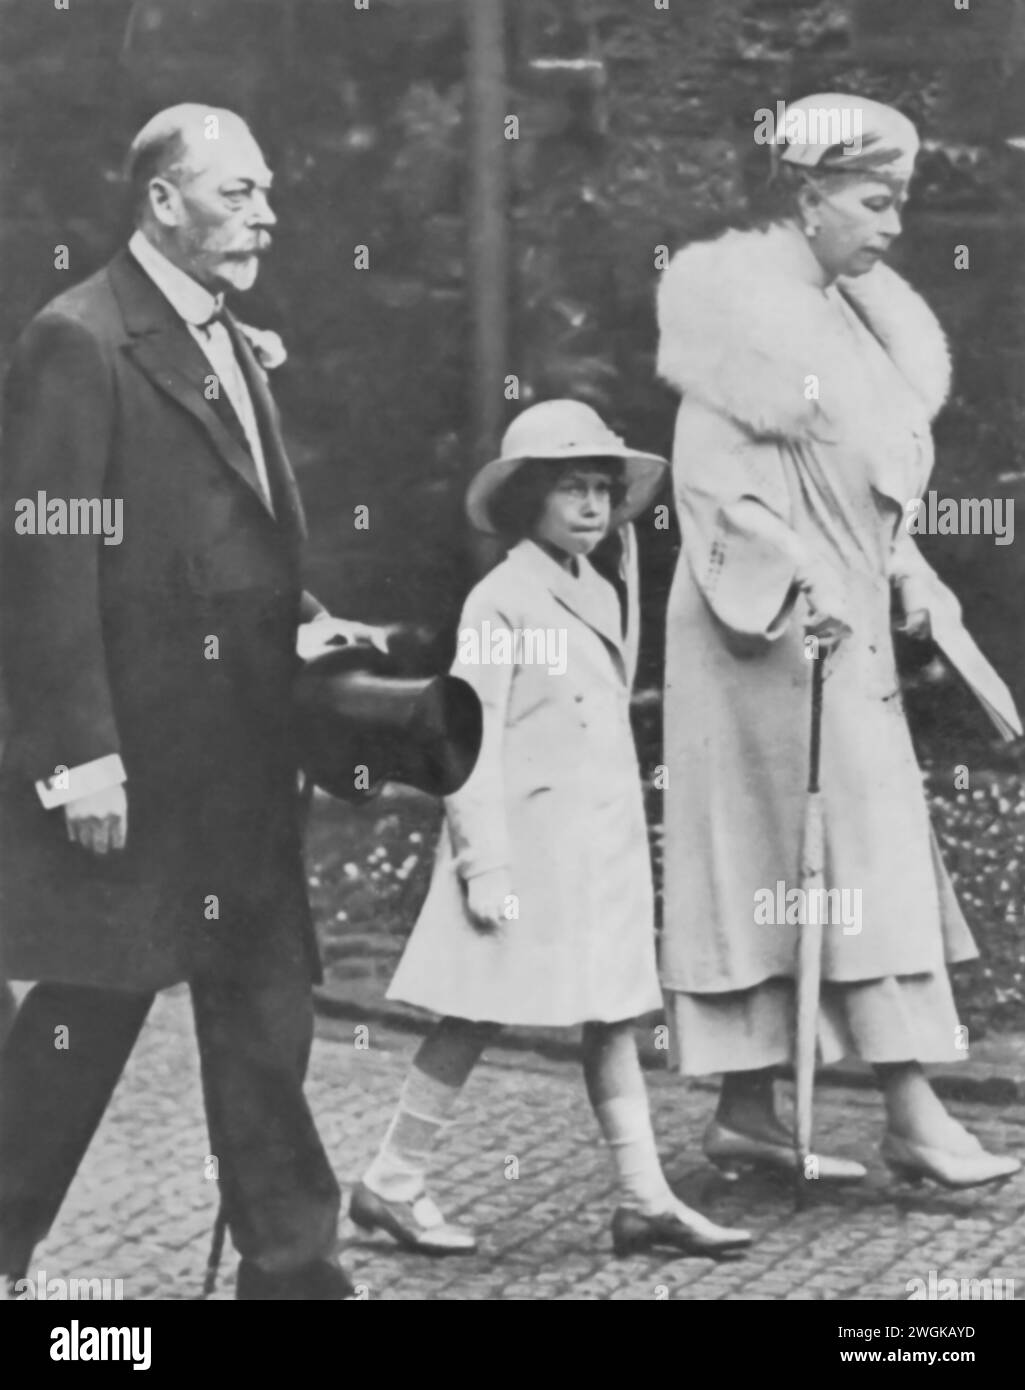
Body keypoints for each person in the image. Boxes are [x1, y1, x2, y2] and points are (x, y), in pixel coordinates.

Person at [0, 104, 386, 1299]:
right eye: (237, 192)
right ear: (162, 201)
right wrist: (78, 759)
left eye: (267, 189)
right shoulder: (81, 338)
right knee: (84, 1024)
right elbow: (43, 559)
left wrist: (305, 616)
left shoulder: (228, 334)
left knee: (266, 1032)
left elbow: (219, 535)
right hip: (135, 767)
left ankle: (291, 1277)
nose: (266, 211)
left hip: (241, 764)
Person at [655, 93, 1021, 1189]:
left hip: (838, 623)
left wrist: (901, 568)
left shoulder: (849, 314)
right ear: (809, 200)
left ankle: (746, 1110)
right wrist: (807, 578)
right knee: (841, 856)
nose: (894, 225)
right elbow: (716, 492)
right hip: (759, 634)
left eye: (897, 202)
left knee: (821, 860)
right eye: (874, 201)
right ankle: (910, 1113)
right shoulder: (741, 314)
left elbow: (864, 493)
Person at [350, 400, 752, 1259]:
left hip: (591, 853)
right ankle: (391, 1179)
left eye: (603, 490)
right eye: (570, 488)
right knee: (470, 1014)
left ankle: (645, 1199)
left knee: (609, 1015)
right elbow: (465, 736)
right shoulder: (499, 601)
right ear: (526, 499)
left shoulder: (597, 587)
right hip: (520, 852)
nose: (592, 507)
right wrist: (484, 866)